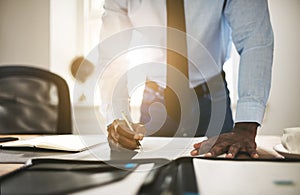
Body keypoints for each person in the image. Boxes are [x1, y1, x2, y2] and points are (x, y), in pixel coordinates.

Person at [99, 0, 274, 158]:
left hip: (213, 98)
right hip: (155, 100)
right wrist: (117, 115)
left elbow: (255, 40)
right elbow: (112, 54)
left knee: (223, 176)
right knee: (150, 178)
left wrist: (246, 126)